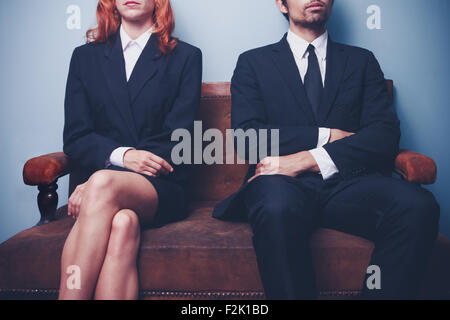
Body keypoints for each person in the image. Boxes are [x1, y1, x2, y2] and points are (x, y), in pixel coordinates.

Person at [212, 0, 440, 299]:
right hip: (280, 183)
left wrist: (310, 159)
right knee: (277, 207)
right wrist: (327, 135)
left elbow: (384, 135)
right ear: (281, 4)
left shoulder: (361, 61)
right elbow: (247, 138)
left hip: (349, 184)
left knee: (419, 205)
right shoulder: (253, 62)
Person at [59, 0, 202, 300]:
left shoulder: (186, 56)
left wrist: (102, 180)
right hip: (103, 183)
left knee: (102, 185)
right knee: (123, 224)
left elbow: (179, 136)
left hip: (161, 183)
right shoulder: (84, 58)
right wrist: (123, 157)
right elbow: (76, 136)